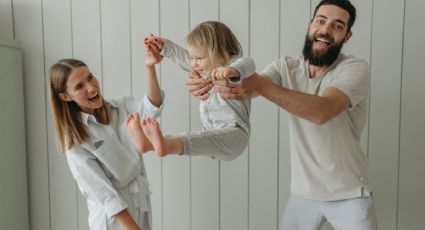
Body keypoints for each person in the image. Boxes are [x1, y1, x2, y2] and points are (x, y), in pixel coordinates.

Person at [187, 1, 377, 229]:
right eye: (321, 20)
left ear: (346, 36)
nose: (326, 30)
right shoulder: (285, 67)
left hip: (350, 193)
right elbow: (245, 85)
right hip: (303, 194)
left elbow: (322, 111)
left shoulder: (355, 68)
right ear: (310, 25)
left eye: (338, 25)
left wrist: (259, 85)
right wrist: (207, 79)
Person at [48, 56, 164, 230]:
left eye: (90, 77)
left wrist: (150, 67)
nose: (91, 87)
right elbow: (104, 194)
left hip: (141, 205)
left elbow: (152, 107)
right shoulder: (75, 140)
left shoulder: (121, 107)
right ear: (65, 96)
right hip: (114, 221)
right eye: (79, 86)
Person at [128, 21, 255, 161]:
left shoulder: (232, 65)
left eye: (199, 58)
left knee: (198, 139)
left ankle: (164, 144)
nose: (194, 63)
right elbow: (183, 57)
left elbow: (248, 63)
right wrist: (164, 46)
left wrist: (231, 71)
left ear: (222, 54)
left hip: (235, 133)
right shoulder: (205, 69)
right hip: (211, 132)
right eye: (192, 57)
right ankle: (151, 144)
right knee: (194, 139)